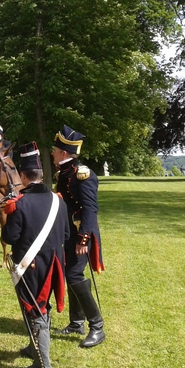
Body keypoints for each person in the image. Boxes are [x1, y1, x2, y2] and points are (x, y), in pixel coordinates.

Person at [2, 141, 70, 368]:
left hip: (30, 267)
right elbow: (67, 234)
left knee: (35, 311)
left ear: (22, 175)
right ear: (41, 174)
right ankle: (35, 348)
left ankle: (43, 367)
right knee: (43, 307)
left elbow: (10, 237)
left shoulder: (20, 204)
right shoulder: (59, 201)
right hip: (55, 264)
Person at [52, 125, 105, 348]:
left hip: (80, 233)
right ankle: (76, 323)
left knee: (74, 275)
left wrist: (84, 238)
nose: (52, 152)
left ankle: (97, 326)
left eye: (55, 150)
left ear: (64, 153)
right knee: (70, 274)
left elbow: (91, 209)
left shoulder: (82, 174)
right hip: (69, 232)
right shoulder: (64, 172)